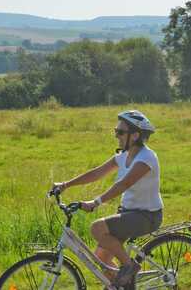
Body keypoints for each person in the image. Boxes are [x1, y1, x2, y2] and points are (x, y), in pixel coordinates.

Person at [51, 110, 163, 287]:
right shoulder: (123, 156)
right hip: (127, 214)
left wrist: (95, 202)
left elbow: (123, 184)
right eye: (115, 131)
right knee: (102, 261)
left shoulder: (147, 158)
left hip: (147, 216)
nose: (116, 136)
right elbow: (97, 173)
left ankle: (129, 266)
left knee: (97, 228)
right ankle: (125, 284)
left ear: (135, 135)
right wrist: (65, 184)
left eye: (120, 132)